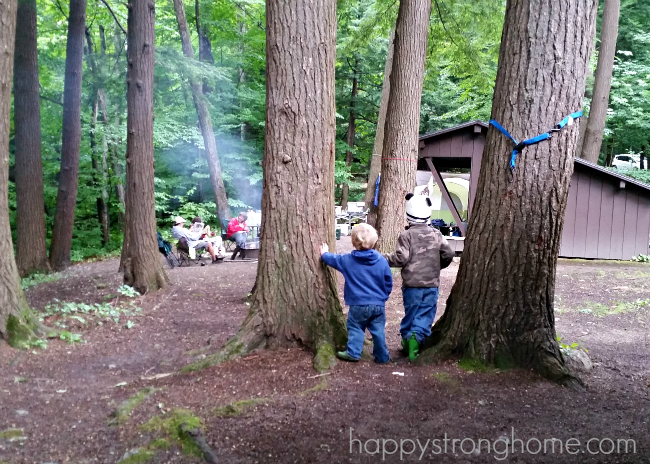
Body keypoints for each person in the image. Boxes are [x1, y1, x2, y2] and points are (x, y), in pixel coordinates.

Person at [383, 193, 455, 361]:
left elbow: (401, 258)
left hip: (411, 285)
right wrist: (438, 265)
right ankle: (417, 339)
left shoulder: (406, 235)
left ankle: (407, 340)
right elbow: (449, 253)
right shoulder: (436, 234)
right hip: (431, 284)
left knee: (411, 312)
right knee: (426, 313)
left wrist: (383, 258)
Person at [320, 223, 392, 364]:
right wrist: (383, 296)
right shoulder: (382, 261)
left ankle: (353, 352)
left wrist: (324, 254)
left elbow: (333, 259)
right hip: (378, 305)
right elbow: (388, 281)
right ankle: (382, 356)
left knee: (356, 327)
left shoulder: (348, 260)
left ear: (353, 242)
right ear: (374, 242)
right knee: (378, 331)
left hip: (358, 304)